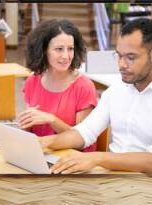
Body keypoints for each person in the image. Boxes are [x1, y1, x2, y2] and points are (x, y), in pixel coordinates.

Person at [40, 18, 152, 175]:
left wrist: (97, 158)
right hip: (111, 179)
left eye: (130, 57)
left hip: (150, 189)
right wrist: (45, 142)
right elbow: (85, 131)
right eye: (119, 56)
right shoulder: (116, 90)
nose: (121, 64)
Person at [17, 19, 98, 152]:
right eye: (59, 49)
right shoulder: (33, 80)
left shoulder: (84, 86)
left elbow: (81, 140)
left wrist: (51, 119)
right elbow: (29, 128)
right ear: (44, 50)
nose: (66, 56)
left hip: (72, 158)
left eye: (70, 49)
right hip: (41, 154)